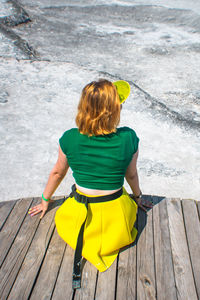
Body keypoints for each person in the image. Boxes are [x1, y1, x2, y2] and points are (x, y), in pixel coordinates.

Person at [28, 79, 153, 289]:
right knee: (125, 209)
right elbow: (131, 175)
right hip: (116, 217)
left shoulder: (69, 138)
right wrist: (137, 198)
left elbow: (58, 172)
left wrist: (45, 201)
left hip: (79, 218)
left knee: (69, 218)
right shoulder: (128, 137)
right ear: (114, 110)